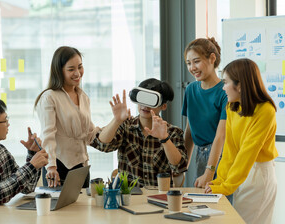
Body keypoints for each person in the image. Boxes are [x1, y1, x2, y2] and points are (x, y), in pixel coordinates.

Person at [205, 58, 278, 224]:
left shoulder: (266, 110)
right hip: (241, 174)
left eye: (226, 82)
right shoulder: (232, 107)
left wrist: (226, 187)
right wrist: (220, 180)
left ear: (240, 85)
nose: (223, 87)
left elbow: (247, 153)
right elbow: (230, 150)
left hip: (259, 175)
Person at [91, 78, 187, 187]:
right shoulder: (126, 126)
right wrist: (116, 120)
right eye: (142, 98)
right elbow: (102, 145)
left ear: (163, 105)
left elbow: (179, 167)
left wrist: (165, 139)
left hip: (159, 197)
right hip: (128, 198)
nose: (145, 105)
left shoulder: (173, 132)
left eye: (151, 100)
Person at [34, 46, 99, 188]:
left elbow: (90, 133)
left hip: (81, 167)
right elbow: (48, 135)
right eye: (71, 69)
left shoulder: (83, 97)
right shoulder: (49, 97)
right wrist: (51, 166)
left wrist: (117, 120)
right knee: (59, 210)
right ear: (59, 71)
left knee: (82, 209)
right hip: (58, 167)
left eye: (80, 67)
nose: (78, 73)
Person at [182, 37, 227, 188]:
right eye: (188, 63)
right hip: (200, 156)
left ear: (212, 58)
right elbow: (190, 130)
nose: (192, 67)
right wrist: (181, 168)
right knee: (201, 207)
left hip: (221, 156)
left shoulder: (225, 91)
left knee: (222, 208)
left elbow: (221, 136)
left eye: (196, 61)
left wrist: (209, 172)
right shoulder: (190, 90)